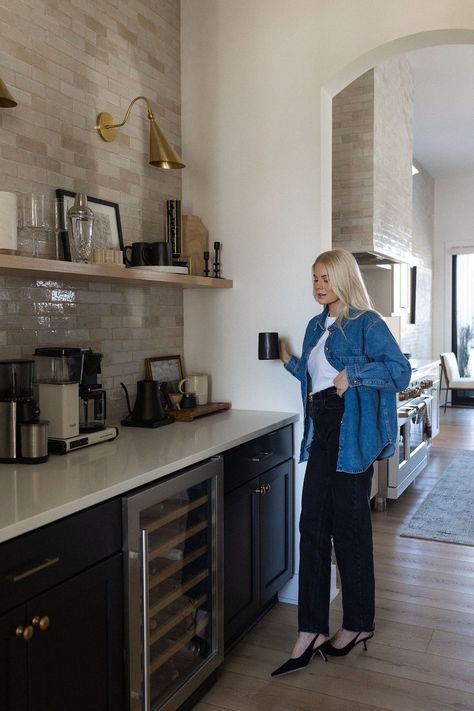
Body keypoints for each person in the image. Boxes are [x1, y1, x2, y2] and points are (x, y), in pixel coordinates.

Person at [271, 248, 411, 678]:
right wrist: (288, 360)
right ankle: (311, 630)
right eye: (314, 278)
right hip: (322, 430)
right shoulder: (316, 325)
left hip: (349, 435)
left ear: (344, 279)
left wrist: (357, 375)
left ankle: (357, 624)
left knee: (349, 533)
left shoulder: (366, 323)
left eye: (326, 278)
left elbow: (399, 372)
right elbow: (317, 380)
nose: (318, 286)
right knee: (311, 527)